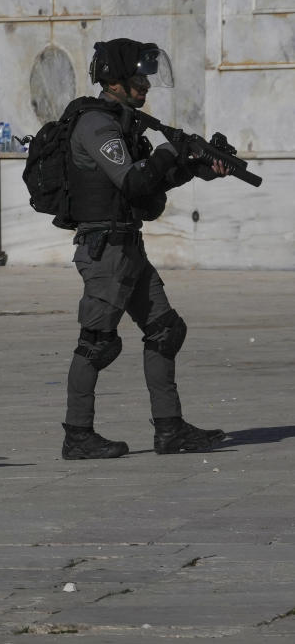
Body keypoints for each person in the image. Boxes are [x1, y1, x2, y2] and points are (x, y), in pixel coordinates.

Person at [59, 38, 231, 460]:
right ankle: (77, 435)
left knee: (165, 330)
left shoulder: (125, 123)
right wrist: (174, 150)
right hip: (106, 252)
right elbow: (133, 181)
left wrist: (195, 167)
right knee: (97, 342)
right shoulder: (97, 125)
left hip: (127, 245)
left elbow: (148, 185)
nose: (146, 85)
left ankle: (170, 429)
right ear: (114, 79)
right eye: (138, 77)